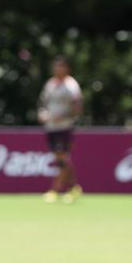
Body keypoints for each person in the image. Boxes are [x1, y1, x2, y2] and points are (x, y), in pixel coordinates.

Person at [38, 56, 83, 204]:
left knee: (63, 158)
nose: (58, 69)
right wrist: (42, 113)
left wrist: (62, 115)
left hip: (64, 126)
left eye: (61, 67)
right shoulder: (50, 84)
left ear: (67, 69)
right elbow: (43, 103)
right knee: (60, 159)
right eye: (56, 66)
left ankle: (56, 190)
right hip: (51, 127)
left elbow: (77, 108)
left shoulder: (71, 85)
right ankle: (74, 186)